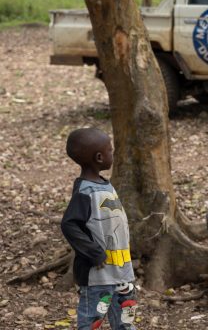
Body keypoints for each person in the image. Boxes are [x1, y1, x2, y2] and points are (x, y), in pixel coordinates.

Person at [61, 128, 138, 330]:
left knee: (126, 320)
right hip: (98, 276)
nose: (112, 154)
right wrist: (94, 253)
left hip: (122, 272)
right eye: (110, 150)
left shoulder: (105, 185)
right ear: (99, 157)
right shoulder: (85, 192)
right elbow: (69, 224)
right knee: (91, 321)